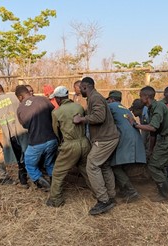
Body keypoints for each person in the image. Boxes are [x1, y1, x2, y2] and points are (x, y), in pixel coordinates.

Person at [73, 77, 119, 215]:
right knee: (104, 165)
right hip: (108, 137)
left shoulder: (95, 98)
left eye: (81, 88)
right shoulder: (93, 98)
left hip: (105, 138)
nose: (80, 91)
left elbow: (99, 117)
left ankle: (103, 201)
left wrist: (82, 119)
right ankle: (111, 196)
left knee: (92, 165)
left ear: (86, 87)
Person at [127, 86, 168, 202]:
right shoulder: (152, 108)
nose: (140, 98)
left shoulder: (158, 108)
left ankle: (164, 195)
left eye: (141, 96)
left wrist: (134, 125)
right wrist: (150, 150)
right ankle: (164, 191)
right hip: (167, 139)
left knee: (154, 166)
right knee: (159, 165)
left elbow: (152, 128)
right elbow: (154, 133)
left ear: (146, 97)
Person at [46, 86, 91, 207]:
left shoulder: (56, 112)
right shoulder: (79, 107)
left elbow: (56, 132)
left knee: (58, 172)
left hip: (70, 144)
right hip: (84, 142)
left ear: (58, 99)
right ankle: (99, 194)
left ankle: (55, 200)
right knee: (87, 170)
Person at [15, 85, 58, 191]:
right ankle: (55, 184)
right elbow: (54, 113)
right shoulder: (43, 100)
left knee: (29, 163)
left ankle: (41, 183)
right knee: (50, 162)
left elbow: (25, 125)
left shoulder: (20, 108)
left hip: (36, 142)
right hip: (52, 139)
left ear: (20, 97)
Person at [107, 90, 146, 203]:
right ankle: (124, 189)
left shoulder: (111, 106)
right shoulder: (123, 108)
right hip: (135, 138)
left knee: (114, 165)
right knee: (121, 165)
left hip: (125, 138)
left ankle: (131, 191)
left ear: (111, 99)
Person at [0, 83, 29, 188]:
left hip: (8, 134)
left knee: (18, 158)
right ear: (2, 89)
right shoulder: (13, 96)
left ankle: (23, 180)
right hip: (21, 130)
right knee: (27, 152)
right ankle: (35, 176)